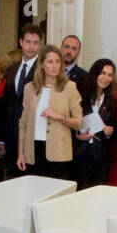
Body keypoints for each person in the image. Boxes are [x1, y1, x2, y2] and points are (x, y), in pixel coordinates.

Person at [16, 45, 82, 183]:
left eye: (58, 61)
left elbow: (78, 122)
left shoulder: (69, 87)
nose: (55, 66)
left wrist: (60, 117)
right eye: (50, 62)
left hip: (58, 152)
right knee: (34, 193)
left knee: (55, 197)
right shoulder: (30, 88)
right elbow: (23, 123)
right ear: (42, 64)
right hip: (33, 150)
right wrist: (21, 153)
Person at [0, 25, 42, 180]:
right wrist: (1, 137)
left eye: (36, 43)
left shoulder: (43, 70)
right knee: (11, 179)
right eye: (28, 42)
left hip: (32, 134)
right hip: (11, 135)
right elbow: (6, 104)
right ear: (21, 42)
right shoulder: (12, 69)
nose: (31, 47)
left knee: (30, 180)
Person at [74, 58, 117, 189]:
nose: (106, 78)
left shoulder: (111, 100)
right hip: (79, 154)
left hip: (101, 157)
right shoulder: (80, 94)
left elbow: (114, 128)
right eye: (103, 73)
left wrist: (110, 132)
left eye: (110, 75)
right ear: (95, 73)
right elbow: (70, 122)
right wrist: (77, 136)